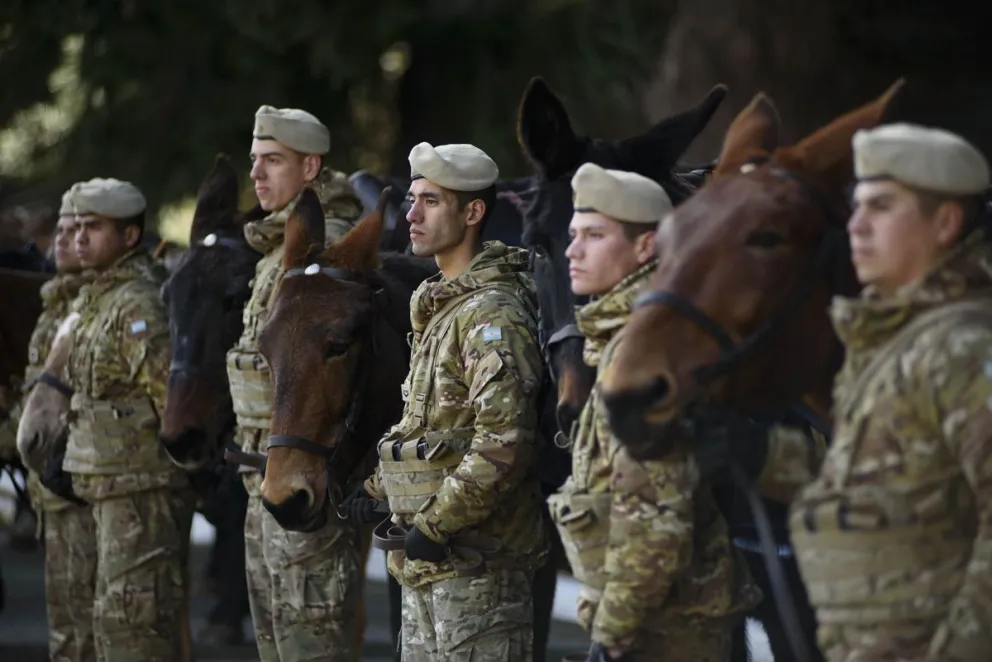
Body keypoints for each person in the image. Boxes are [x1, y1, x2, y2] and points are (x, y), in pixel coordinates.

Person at [789, 124, 992, 662]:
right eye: (855, 207)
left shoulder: (963, 346)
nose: (855, 226)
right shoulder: (890, 342)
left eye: (881, 206)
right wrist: (753, 455)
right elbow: (879, 481)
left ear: (945, 222)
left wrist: (960, 649)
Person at [346, 142, 548, 660]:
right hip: (431, 568)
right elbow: (428, 429)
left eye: (430, 202)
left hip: (479, 573)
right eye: (412, 200)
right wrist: (376, 490)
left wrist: (434, 524)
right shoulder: (442, 306)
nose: (410, 214)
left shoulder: (492, 314)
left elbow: (505, 445)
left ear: (473, 212)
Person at [547, 163, 757, 662]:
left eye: (594, 236)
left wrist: (614, 631)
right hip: (650, 616)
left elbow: (657, 517)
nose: (572, 250)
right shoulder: (623, 335)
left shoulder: (648, 347)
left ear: (647, 248)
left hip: (667, 628)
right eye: (574, 235)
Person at [226, 105, 365, 661]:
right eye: (255, 161)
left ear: (311, 167)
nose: (257, 174)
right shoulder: (275, 246)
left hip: (310, 472)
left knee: (312, 642)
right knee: (277, 643)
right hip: (267, 468)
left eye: (273, 161)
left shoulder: (328, 246)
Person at [51, 177, 193, 661]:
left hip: (142, 497)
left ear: (130, 238)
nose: (79, 238)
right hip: (109, 491)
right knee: (110, 630)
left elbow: (170, 402)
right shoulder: (101, 297)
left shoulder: (136, 304)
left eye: (94, 228)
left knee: (135, 635)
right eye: (78, 227)